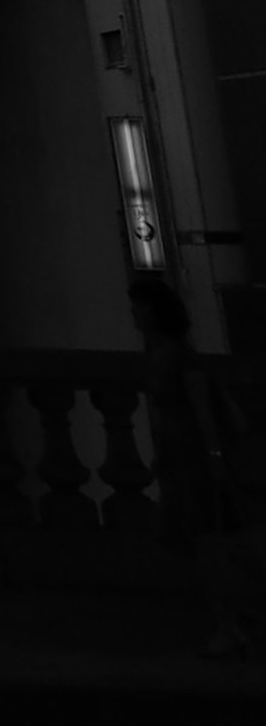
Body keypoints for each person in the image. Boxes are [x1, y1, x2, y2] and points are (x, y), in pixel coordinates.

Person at [126, 266, 262, 652]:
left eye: (140, 306)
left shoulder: (171, 354)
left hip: (192, 459)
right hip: (185, 457)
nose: (135, 314)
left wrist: (212, 455)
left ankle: (229, 622)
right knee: (207, 541)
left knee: (205, 543)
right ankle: (236, 615)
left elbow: (198, 405)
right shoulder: (169, 350)